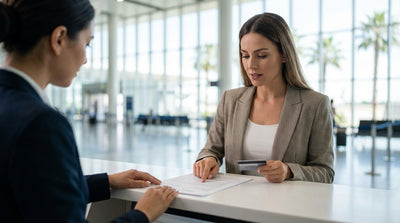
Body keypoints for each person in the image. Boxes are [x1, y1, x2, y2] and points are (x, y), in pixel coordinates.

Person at [0, 1, 178, 222]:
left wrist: (106, 182)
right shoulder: (41, 122)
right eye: (87, 44)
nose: (85, 59)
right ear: (59, 39)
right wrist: (143, 214)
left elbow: (28, 188)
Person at [193, 12, 334, 184]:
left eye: (261, 56)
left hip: (287, 206)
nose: (251, 65)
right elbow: (211, 150)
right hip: (234, 204)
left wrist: (289, 171)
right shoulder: (230, 100)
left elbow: (325, 172)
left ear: (284, 55)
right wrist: (207, 160)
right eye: (245, 55)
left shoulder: (315, 104)